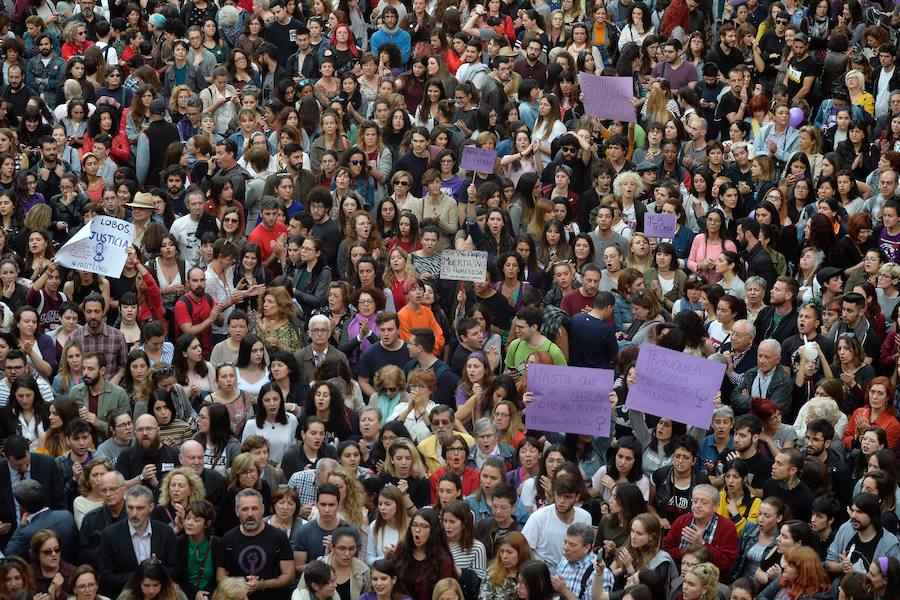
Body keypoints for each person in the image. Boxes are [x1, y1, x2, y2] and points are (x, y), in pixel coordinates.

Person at [96, 484, 179, 597]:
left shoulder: (165, 533)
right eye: (130, 507)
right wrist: (143, 575)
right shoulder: (110, 535)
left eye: (140, 508)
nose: (134, 513)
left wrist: (158, 570)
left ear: (151, 507)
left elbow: (175, 570)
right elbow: (105, 576)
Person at [661, 484, 739, 576]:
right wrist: (686, 553)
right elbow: (665, 549)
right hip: (679, 577)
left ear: (716, 506)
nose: (697, 506)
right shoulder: (682, 521)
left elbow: (727, 562)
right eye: (695, 501)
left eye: (704, 502)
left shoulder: (727, 527)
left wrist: (702, 544)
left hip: (711, 580)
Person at [522, 472, 591, 568]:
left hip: (574, 569)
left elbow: (585, 549)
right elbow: (524, 548)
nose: (562, 501)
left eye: (567, 497)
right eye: (558, 495)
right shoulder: (538, 518)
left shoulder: (585, 517)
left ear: (577, 497)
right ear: (554, 494)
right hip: (544, 570)